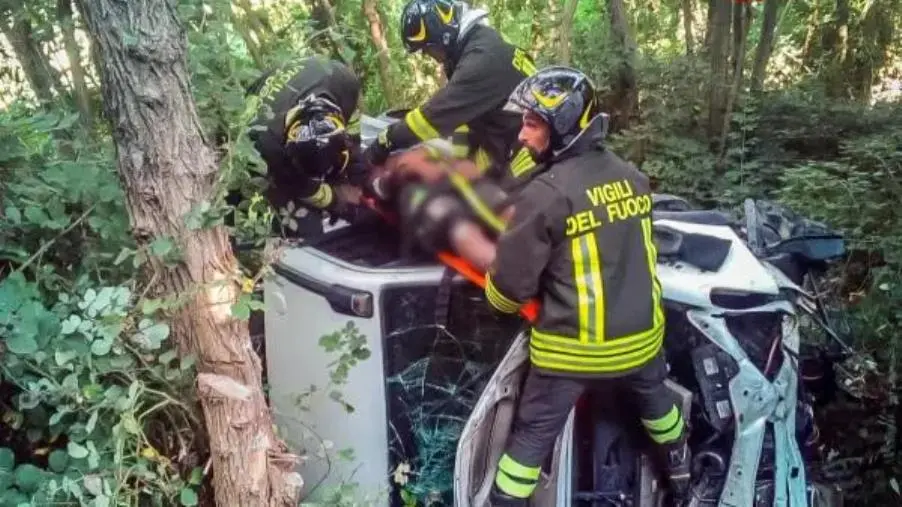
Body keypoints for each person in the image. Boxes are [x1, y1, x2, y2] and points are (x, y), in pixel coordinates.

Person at [396, 67, 691, 505]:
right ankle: (682, 476)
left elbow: (510, 289)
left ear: (564, 128)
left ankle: (506, 500)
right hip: (643, 344)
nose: (522, 136)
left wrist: (493, 301)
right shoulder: (633, 178)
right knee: (660, 409)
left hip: (573, 355)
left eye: (532, 125)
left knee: (529, 440)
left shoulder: (546, 195)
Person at [363, 0, 540, 192]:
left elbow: (430, 119)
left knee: (494, 212)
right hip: (504, 141)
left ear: (441, 34)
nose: (427, 55)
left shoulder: (481, 61)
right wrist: (453, 161)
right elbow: (464, 118)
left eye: (427, 47)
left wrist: (386, 140)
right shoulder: (480, 43)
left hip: (527, 155)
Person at [247, 56, 372, 237]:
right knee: (307, 230)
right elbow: (302, 187)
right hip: (259, 136)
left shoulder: (343, 81)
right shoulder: (266, 145)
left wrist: (355, 157)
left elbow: (352, 120)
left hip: (308, 80)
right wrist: (338, 202)